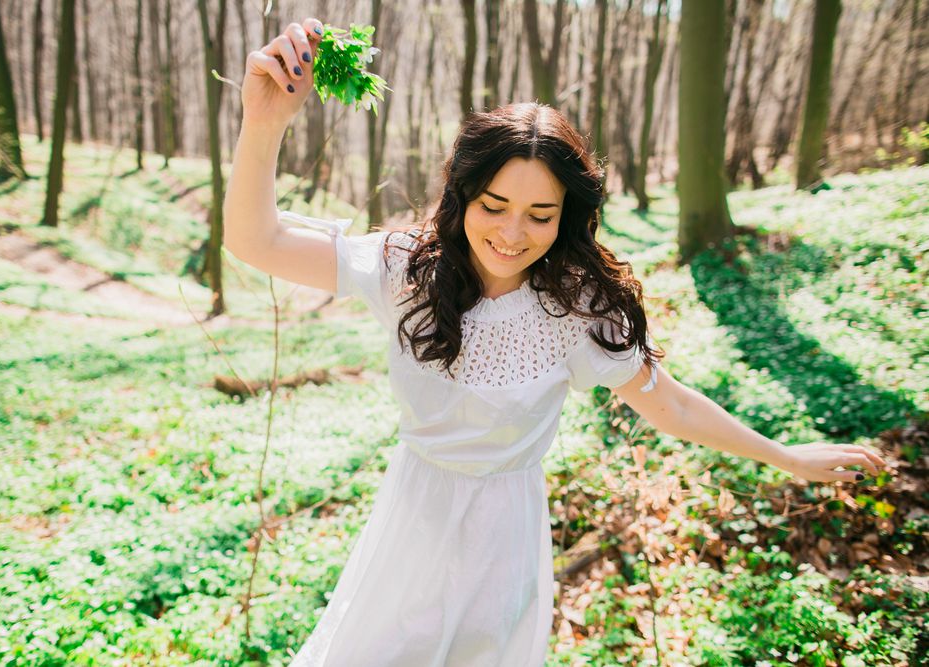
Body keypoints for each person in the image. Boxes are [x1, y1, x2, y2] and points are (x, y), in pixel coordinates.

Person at [223, 18, 889, 667]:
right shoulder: (404, 268)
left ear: (566, 214)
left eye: (540, 214)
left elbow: (672, 406)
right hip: (410, 524)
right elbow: (256, 241)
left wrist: (785, 456)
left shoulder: (576, 307)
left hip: (502, 543)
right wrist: (264, 122)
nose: (513, 233)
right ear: (461, 196)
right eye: (493, 206)